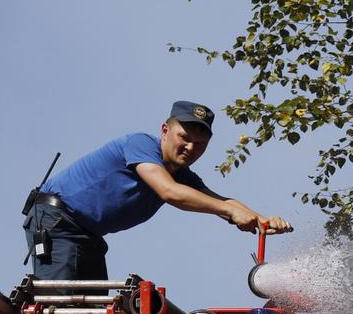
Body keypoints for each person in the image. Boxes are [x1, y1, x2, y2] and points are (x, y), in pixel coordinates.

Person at [23, 100, 292, 287]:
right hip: (56, 222)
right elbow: (170, 192)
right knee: (57, 306)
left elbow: (222, 201)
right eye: (184, 138)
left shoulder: (182, 175)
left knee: (91, 312)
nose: (190, 147)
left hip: (87, 236)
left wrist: (261, 220)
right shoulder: (140, 144)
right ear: (165, 131)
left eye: (200, 144)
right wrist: (231, 212)